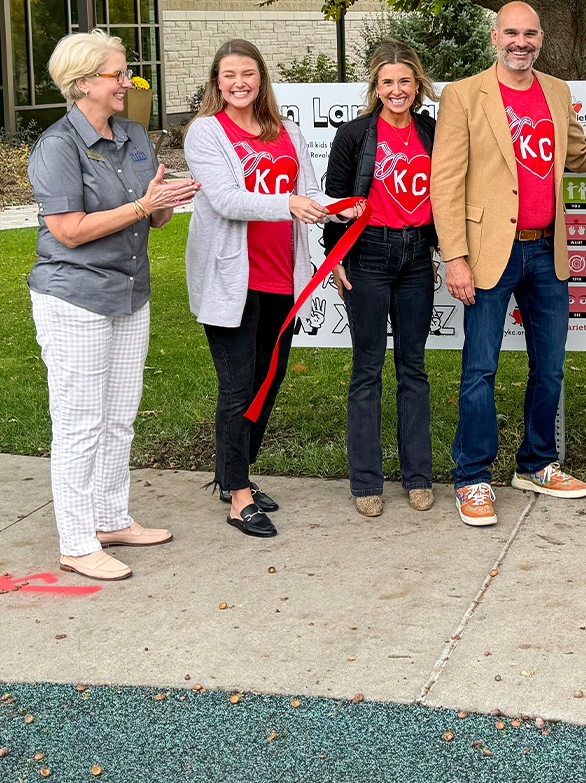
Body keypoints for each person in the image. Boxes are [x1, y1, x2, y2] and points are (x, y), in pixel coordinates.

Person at [432, 2, 586, 527]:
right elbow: (445, 184)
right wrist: (455, 257)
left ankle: (536, 463)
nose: (521, 42)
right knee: (480, 369)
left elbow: (577, 155)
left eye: (530, 33)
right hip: (489, 252)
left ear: (541, 37)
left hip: (547, 249)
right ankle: (472, 478)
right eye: (511, 32)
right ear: (495, 37)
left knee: (551, 366)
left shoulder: (556, 91)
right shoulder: (464, 95)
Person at [28, 30, 200, 581]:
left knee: (119, 418)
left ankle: (109, 517)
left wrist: (163, 203)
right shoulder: (57, 146)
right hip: (74, 296)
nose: (128, 82)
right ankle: (76, 542)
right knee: (79, 423)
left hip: (129, 292)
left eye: (126, 72)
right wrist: (141, 205)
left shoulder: (132, 133)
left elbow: (154, 215)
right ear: (83, 83)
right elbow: (70, 231)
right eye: (118, 74)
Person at [184, 39, 357, 538]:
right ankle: (239, 497)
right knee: (239, 388)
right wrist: (288, 204)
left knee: (266, 383)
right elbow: (225, 199)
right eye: (229, 75)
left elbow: (306, 194)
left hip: (284, 277)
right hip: (232, 280)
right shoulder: (205, 133)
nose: (239, 83)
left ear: (261, 79)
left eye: (248, 74)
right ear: (217, 81)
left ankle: (232, 473)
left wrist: (341, 205)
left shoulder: (289, 130)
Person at [325, 41, 438, 517]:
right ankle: (366, 481)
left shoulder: (433, 130)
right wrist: (335, 260)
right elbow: (334, 199)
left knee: (413, 369)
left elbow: (445, 192)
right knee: (367, 369)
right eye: (387, 82)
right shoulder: (354, 135)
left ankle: (417, 476)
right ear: (375, 87)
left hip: (416, 258)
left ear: (417, 87)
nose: (397, 90)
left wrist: (436, 249)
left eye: (405, 82)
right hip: (367, 255)